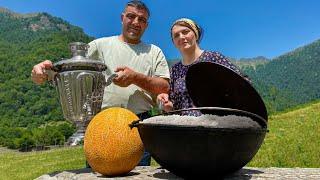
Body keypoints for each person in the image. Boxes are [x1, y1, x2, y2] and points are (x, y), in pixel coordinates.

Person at [31, 0, 170, 166]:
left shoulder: (154, 52)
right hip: (101, 124)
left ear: (146, 25)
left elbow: (164, 86)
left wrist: (135, 77)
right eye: (131, 16)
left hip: (139, 126)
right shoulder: (100, 45)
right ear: (122, 18)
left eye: (142, 19)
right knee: (97, 175)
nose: (136, 22)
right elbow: (73, 68)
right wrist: (45, 72)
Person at [157, 18, 248, 116]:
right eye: (176, 35)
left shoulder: (213, 58)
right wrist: (166, 104)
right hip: (185, 128)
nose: (181, 37)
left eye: (185, 32)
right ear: (174, 42)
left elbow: (243, 84)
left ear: (195, 34)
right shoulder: (174, 70)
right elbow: (173, 107)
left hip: (216, 125)